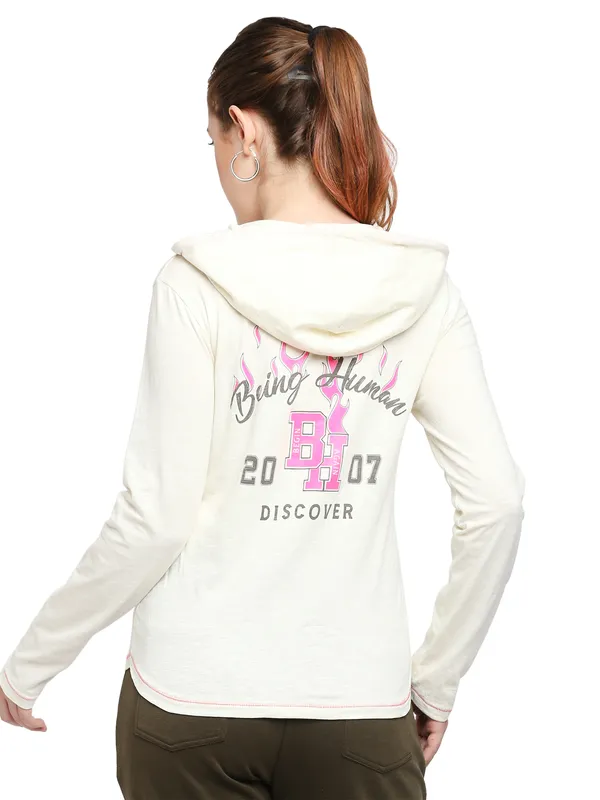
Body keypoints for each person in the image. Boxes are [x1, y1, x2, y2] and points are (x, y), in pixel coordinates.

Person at [0, 16, 525, 800]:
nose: (218, 162)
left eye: (213, 140)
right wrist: (436, 681)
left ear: (244, 133)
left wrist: (31, 663)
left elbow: (156, 519)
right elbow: (498, 501)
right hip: (358, 708)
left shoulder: (195, 285)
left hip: (190, 705)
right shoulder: (423, 291)